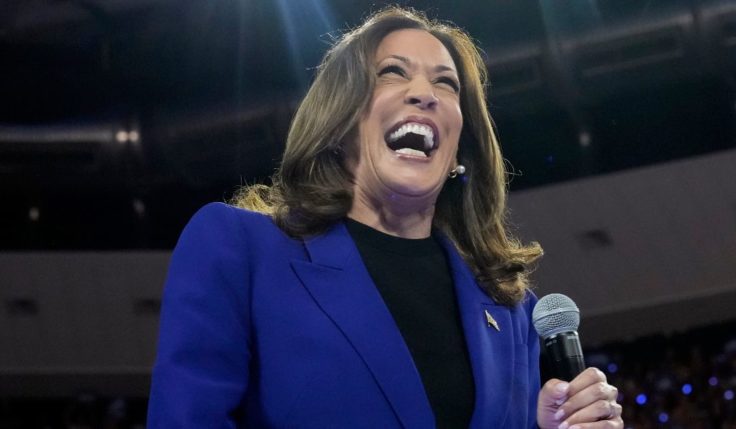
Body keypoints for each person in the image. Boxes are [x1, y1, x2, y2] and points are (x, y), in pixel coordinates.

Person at [147, 6, 623, 428]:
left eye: (445, 82)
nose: (425, 93)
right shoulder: (240, 249)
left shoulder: (510, 311)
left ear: (460, 147)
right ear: (340, 123)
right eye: (392, 73)